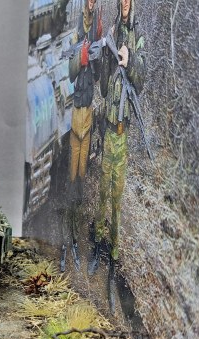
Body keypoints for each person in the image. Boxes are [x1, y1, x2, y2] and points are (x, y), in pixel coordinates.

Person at [88, 0, 145, 312]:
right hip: (107, 128)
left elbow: (141, 79)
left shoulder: (138, 36)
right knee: (101, 193)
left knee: (116, 199)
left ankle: (113, 256)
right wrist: (104, 57)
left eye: (128, 0)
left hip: (121, 134)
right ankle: (98, 246)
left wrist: (129, 59)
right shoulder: (111, 29)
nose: (124, 3)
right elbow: (102, 85)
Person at [60, 0, 103, 272]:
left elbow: (97, 78)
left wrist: (98, 54)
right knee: (71, 179)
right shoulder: (76, 33)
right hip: (76, 113)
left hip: (88, 114)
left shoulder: (96, 29)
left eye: (94, 1)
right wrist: (81, 57)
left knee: (82, 180)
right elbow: (71, 72)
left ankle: (75, 238)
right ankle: (67, 240)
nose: (90, 3)